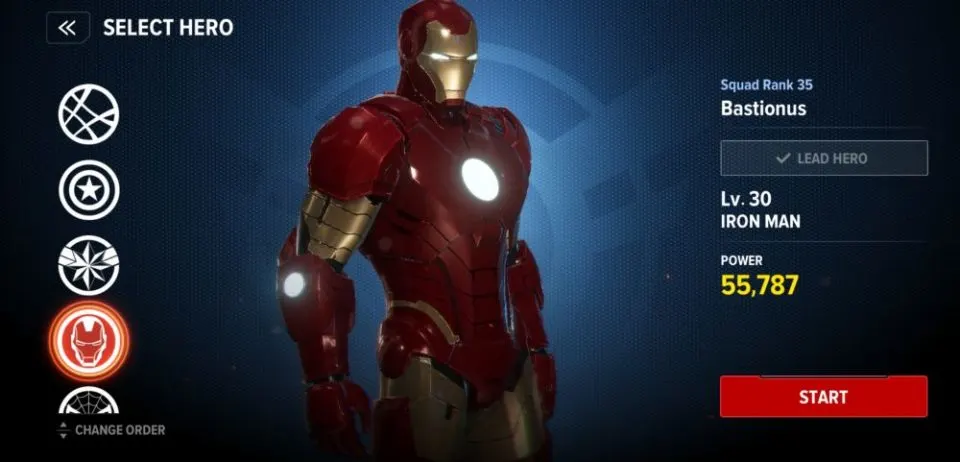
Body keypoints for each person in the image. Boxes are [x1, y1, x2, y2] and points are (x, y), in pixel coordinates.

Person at [277, 1, 554, 460]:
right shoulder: (374, 133)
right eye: (444, 57)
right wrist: (324, 381)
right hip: (424, 353)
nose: (458, 71)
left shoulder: (502, 133)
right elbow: (312, 267)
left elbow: (512, 259)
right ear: (409, 50)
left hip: (506, 360)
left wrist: (538, 348)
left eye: (468, 59)